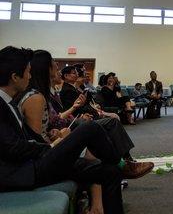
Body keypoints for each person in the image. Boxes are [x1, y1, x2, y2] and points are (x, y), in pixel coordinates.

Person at [0, 46, 154, 214]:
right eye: (27, 72)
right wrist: (50, 147)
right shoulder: (8, 103)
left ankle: (120, 167)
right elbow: (12, 147)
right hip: (24, 171)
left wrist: (51, 137)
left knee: (110, 172)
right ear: (15, 77)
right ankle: (123, 163)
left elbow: (23, 137)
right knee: (89, 129)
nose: (30, 77)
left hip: (31, 163)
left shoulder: (10, 102)